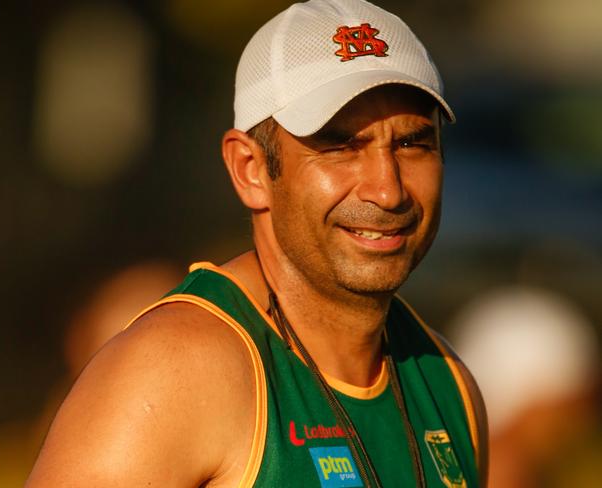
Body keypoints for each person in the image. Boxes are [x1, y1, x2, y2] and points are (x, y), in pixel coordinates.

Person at [26, 1, 488, 487]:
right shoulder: (177, 369)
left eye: (412, 144)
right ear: (251, 170)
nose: (387, 189)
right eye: (339, 147)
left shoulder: (447, 383)